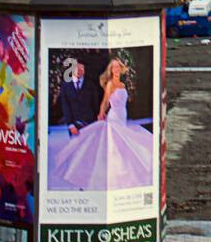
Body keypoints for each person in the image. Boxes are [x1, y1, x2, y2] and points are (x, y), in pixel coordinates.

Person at [49, 58, 153, 191]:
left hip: (122, 115)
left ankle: (121, 174)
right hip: (114, 116)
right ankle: (98, 177)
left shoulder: (122, 84)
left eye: (117, 67)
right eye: (113, 67)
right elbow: (105, 101)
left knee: (123, 145)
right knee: (112, 145)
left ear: (121, 69)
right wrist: (101, 113)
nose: (116, 69)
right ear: (110, 70)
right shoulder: (110, 84)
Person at [58, 60, 101, 136]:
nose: (78, 71)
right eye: (76, 68)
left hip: (90, 125)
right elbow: (65, 107)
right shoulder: (65, 86)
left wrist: (95, 122)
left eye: (81, 69)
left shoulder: (92, 85)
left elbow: (96, 106)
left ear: (84, 71)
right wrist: (70, 125)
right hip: (73, 126)